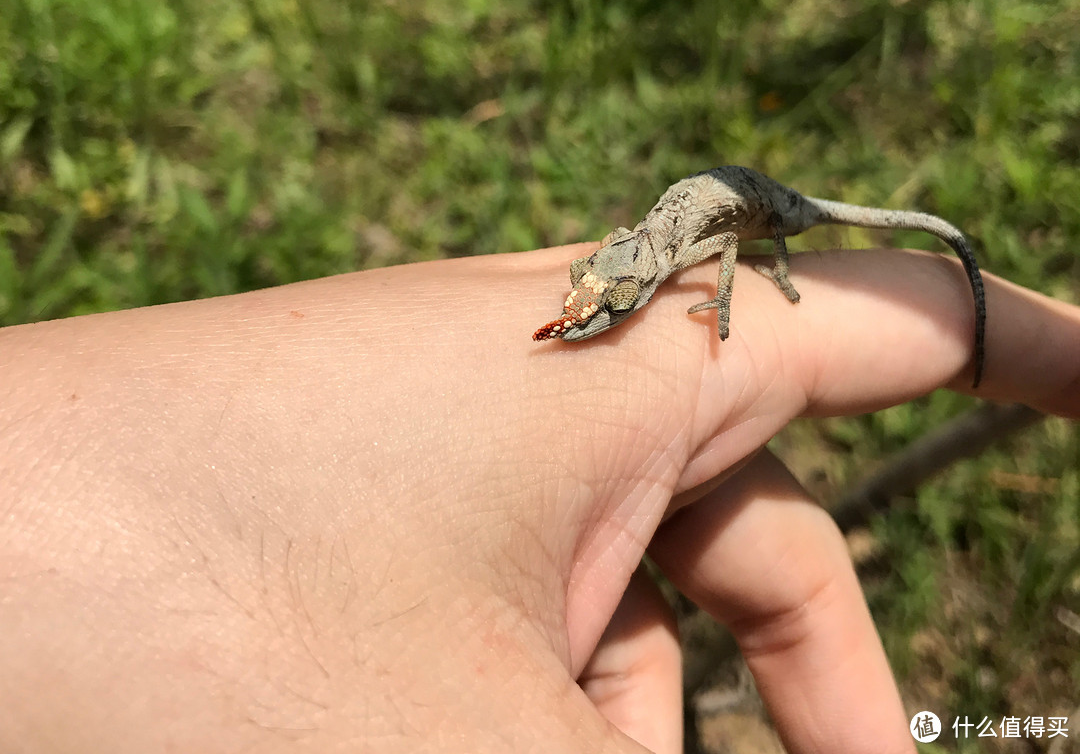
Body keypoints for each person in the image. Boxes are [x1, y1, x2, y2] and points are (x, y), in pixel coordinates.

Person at [0, 245, 1076, 754]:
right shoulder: (618, 276)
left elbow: (700, 251)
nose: (597, 310)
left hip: (728, 216)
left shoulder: (676, 268)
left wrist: (752, 283)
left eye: (606, 301)